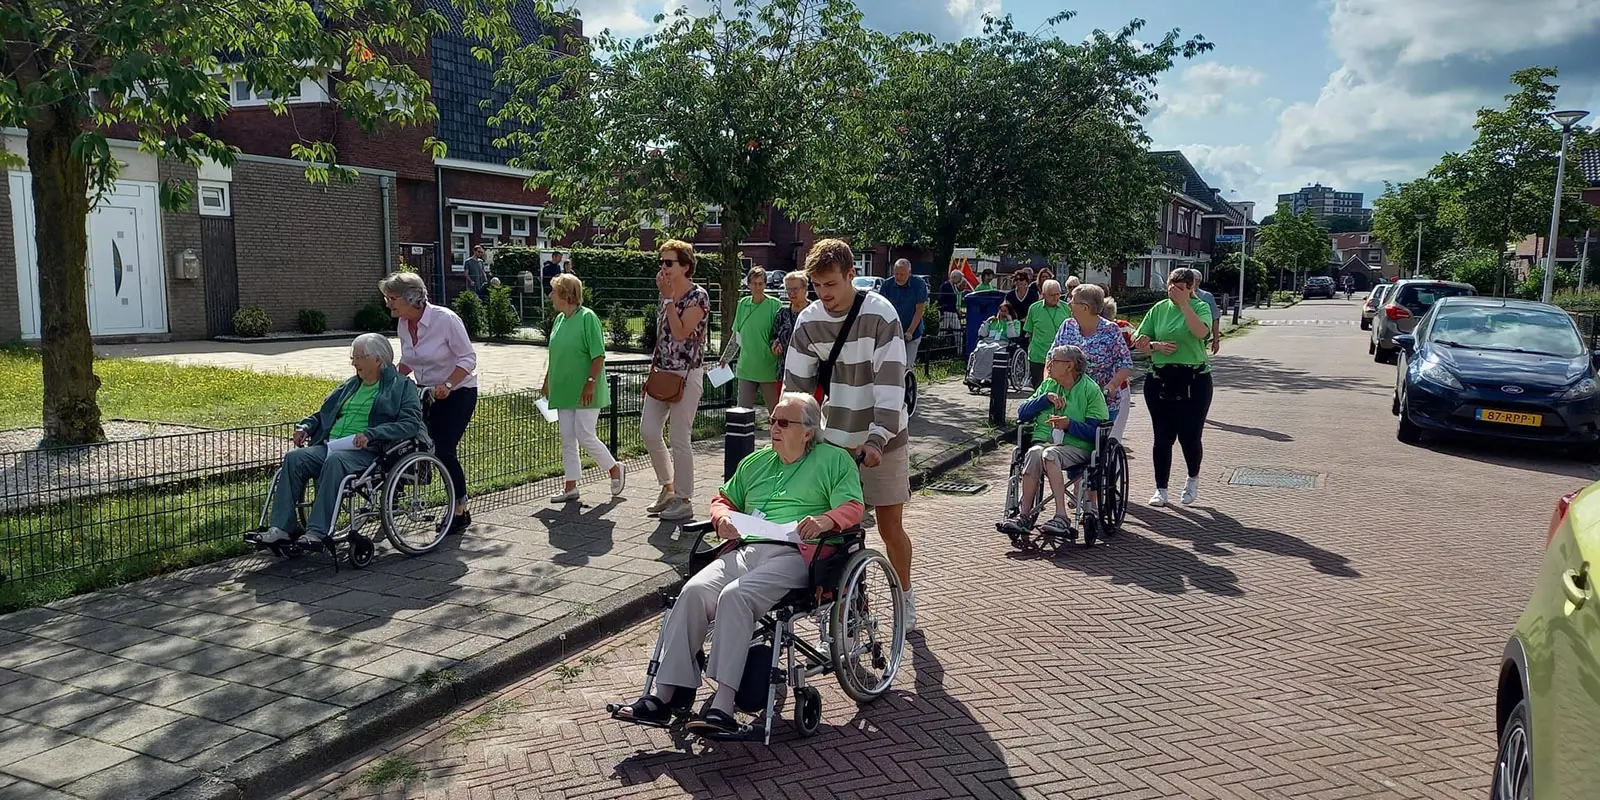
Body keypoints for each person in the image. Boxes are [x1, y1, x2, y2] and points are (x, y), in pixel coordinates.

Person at [610, 393, 863, 735]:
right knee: (693, 592)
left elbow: (853, 507)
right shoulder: (756, 462)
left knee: (735, 596)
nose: (774, 428)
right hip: (747, 548)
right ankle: (662, 696)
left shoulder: (833, 460)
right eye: (772, 420)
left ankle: (724, 704)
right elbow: (723, 499)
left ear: (807, 432)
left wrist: (825, 520)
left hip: (799, 554)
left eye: (783, 422)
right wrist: (722, 518)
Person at [783, 239, 919, 630]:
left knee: (890, 526)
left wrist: (877, 439)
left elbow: (891, 385)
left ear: (850, 276)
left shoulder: (880, 315)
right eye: (817, 286)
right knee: (833, 531)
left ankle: (905, 597)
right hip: (834, 440)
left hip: (882, 437)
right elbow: (796, 388)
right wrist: (792, 433)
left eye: (831, 284)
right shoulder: (808, 321)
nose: (824, 293)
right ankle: (847, 609)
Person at [254, 334, 426, 549]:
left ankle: (317, 532)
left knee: (335, 462)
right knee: (294, 458)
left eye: (359, 357)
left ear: (378, 360)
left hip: (371, 452)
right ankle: (281, 529)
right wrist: (305, 427)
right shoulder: (351, 385)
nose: (353, 363)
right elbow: (324, 414)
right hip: (332, 446)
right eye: (353, 357)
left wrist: (373, 433)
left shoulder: (401, 386)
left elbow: (410, 423)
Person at [383, 271, 479, 533]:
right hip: (426, 392)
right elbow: (409, 360)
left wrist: (447, 384)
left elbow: (468, 358)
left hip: (458, 391)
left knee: (444, 449)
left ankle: (460, 509)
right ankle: (396, 495)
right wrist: (390, 382)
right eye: (386, 298)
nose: (388, 303)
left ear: (412, 298)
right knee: (408, 442)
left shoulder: (445, 319)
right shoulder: (404, 323)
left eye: (392, 298)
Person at [996, 345, 1109, 539]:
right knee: (1033, 452)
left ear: (1069, 366)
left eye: (1054, 361)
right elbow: (1022, 413)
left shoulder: (1090, 389)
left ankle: (1061, 517)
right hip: (1044, 442)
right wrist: (1044, 399)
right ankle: (1024, 516)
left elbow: (1095, 431)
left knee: (1049, 454)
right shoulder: (1048, 385)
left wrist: (1069, 425)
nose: (1049, 364)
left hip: (1076, 447)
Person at [1134, 267, 1213, 508]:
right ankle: (1161, 489)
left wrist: (1185, 304)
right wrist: (1154, 345)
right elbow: (1139, 342)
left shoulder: (1200, 307)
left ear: (1191, 288)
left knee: (1189, 435)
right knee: (1162, 436)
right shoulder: (1158, 309)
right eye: (1171, 286)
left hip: (1194, 380)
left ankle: (1192, 478)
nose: (1173, 292)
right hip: (1161, 378)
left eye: (1179, 288)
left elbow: (1201, 332)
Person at [643, 239, 711, 523]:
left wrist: (669, 300)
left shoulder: (698, 296)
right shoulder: (666, 294)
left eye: (669, 262)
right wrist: (652, 369)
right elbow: (663, 336)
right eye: (661, 262)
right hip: (662, 372)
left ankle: (684, 499)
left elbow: (681, 333)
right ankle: (668, 487)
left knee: (679, 437)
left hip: (686, 375)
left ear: (685, 266)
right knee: (648, 430)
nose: (664, 267)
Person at [542, 274, 625, 504]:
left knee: (584, 434)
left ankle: (614, 469)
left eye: (553, 292)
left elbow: (598, 355)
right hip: (564, 389)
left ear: (566, 295)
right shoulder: (560, 320)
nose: (550, 296)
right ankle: (570, 486)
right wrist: (547, 381)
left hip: (586, 389)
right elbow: (556, 354)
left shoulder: (588, 318)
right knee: (567, 437)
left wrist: (590, 383)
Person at [1054, 284, 1135, 442]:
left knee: (1097, 445)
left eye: (1072, 300)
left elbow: (1125, 364)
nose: (1068, 303)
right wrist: (1048, 385)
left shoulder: (1110, 330)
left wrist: (1112, 385)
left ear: (1085, 307)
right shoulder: (1067, 326)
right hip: (1068, 400)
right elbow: (1051, 357)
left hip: (1101, 401)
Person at [718, 267, 782, 413]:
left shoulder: (775, 305)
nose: (757, 287)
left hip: (768, 369)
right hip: (746, 369)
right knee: (741, 413)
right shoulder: (743, 304)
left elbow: (780, 334)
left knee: (776, 413)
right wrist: (726, 357)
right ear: (748, 285)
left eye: (760, 283)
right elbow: (737, 335)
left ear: (765, 284)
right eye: (754, 283)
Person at [878, 258, 929, 372]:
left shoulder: (918, 284)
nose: (898, 277)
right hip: (892, 332)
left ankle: (908, 381)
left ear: (909, 273)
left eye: (902, 274)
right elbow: (882, 309)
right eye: (896, 274)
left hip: (912, 332)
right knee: (891, 366)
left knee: (906, 366)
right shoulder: (887, 285)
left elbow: (919, 310)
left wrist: (910, 331)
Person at [1022, 279, 1070, 388]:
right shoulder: (1034, 308)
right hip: (1038, 356)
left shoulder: (1067, 308)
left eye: (1058, 294)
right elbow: (1029, 331)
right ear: (1043, 295)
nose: (1055, 298)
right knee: (1039, 389)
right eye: (1052, 295)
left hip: (1061, 358)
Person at [769, 271, 809, 376]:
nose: (791, 293)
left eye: (795, 289)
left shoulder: (814, 312)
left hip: (810, 373)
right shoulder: (782, 313)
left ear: (805, 289)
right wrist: (775, 345)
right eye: (788, 289)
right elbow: (773, 336)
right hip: (785, 372)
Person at [1194, 282, 1224, 356]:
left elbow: (1215, 318)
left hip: (1199, 338)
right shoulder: (1175, 296)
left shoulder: (1206, 296)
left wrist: (1216, 340)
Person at [936, 270, 967, 334]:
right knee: (943, 331)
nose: (960, 280)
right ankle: (939, 340)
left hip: (953, 311)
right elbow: (941, 299)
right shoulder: (945, 285)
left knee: (958, 331)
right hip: (946, 311)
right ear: (954, 277)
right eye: (959, 278)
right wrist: (941, 312)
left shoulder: (953, 286)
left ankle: (959, 341)